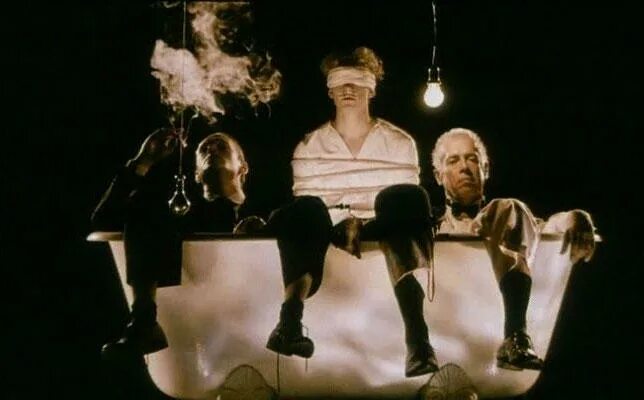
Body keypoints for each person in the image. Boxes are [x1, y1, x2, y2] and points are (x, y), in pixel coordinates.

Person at [264, 47, 439, 377]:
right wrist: (343, 221)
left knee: (407, 197)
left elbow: (404, 211)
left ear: (371, 88)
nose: (348, 88)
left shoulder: (400, 144)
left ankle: (419, 340)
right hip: (325, 231)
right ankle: (289, 323)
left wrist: (362, 221)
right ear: (329, 90)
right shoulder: (309, 147)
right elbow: (310, 209)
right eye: (340, 82)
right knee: (305, 208)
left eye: (357, 81)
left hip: (384, 228)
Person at [431, 127, 597, 371]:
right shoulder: (427, 226)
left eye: (472, 159)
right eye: (453, 160)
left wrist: (577, 217)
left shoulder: (511, 219)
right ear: (438, 175)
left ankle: (515, 336)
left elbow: (551, 228)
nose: (464, 167)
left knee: (510, 207)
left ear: (485, 169)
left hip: (488, 342)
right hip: (442, 335)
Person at [92, 128, 255, 360]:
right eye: (204, 149)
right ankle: (144, 320)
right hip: (187, 323)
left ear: (243, 167)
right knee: (143, 205)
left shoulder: (261, 212)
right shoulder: (179, 218)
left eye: (221, 146)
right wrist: (143, 161)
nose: (211, 149)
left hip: (249, 322)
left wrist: (259, 232)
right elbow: (103, 219)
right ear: (196, 174)